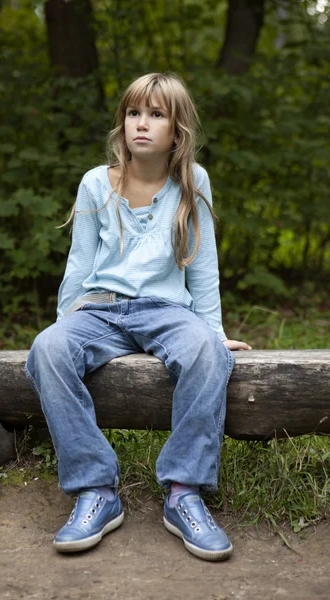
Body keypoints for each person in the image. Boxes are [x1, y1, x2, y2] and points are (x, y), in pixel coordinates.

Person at [25, 72, 251, 562]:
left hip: (167, 310)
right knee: (47, 347)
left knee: (207, 353)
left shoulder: (193, 182)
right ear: (122, 122)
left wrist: (213, 333)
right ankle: (96, 490)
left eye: (156, 114)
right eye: (133, 113)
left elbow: (203, 264)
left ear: (177, 129)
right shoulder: (95, 184)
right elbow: (80, 264)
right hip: (100, 307)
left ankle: (184, 492)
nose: (141, 124)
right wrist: (65, 321)